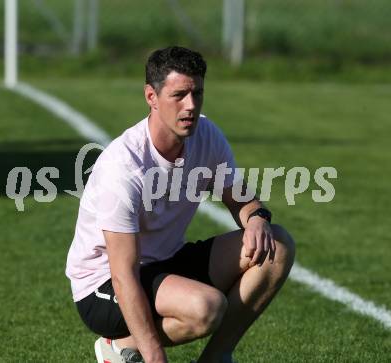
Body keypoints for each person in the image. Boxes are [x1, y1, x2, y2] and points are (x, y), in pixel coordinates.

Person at [66, 46, 295, 363]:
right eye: (179, 95)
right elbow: (124, 275)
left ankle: (217, 357)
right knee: (206, 308)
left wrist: (256, 218)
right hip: (104, 286)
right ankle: (118, 346)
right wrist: (155, 358)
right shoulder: (123, 168)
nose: (191, 106)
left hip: (166, 261)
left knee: (277, 245)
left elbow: (240, 198)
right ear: (151, 97)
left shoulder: (207, 135)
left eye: (197, 93)